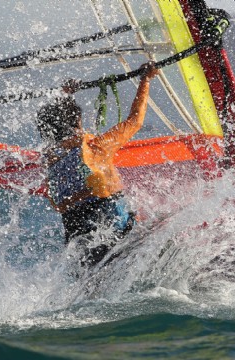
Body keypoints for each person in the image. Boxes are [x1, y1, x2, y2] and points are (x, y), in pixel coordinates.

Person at [37, 63, 159, 267]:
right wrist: (145, 80)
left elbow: (61, 124)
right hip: (117, 233)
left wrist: (66, 95)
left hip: (78, 244)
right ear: (77, 122)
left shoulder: (50, 159)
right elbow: (135, 121)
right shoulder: (96, 148)